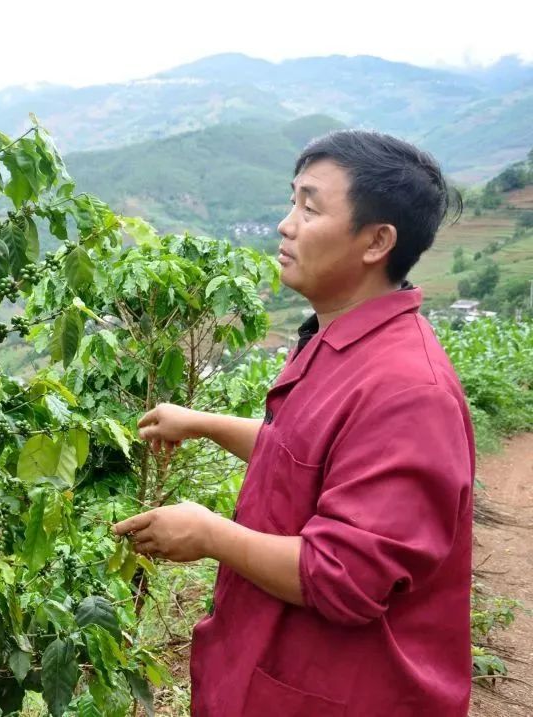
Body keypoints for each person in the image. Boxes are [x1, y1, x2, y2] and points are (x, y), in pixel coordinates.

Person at [113, 130, 474, 716]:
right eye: (292, 202)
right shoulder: (344, 342)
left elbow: (344, 575)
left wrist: (209, 535)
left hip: (340, 691)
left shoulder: (409, 391)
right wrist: (203, 423)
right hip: (268, 666)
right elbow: (306, 455)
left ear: (377, 241)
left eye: (310, 207)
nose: (286, 224)